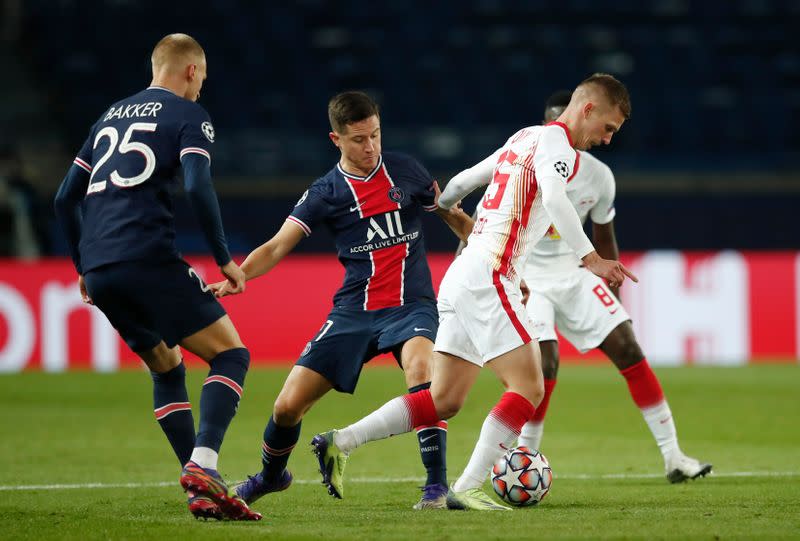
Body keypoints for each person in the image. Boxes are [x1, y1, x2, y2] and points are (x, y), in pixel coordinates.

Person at [311, 73, 637, 510]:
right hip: (489, 275)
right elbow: (557, 200)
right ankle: (465, 487)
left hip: (465, 272)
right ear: (589, 109)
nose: (607, 139)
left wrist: (444, 208)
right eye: (609, 128)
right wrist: (590, 257)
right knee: (529, 387)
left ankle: (340, 440)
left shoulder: (525, 137)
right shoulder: (559, 148)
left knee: (443, 399)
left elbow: (464, 180)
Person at [53, 33, 260, 521]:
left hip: (101, 269)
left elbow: (65, 198)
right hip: (147, 256)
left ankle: (199, 491)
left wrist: (84, 267)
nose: (201, 89)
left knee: (166, 367)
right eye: (202, 78)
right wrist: (225, 258)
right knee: (231, 354)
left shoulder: (109, 114)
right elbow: (195, 183)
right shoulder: (188, 116)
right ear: (191, 70)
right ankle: (205, 464)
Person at [210, 91, 450, 509]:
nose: (371, 147)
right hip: (354, 312)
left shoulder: (407, 170)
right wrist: (240, 274)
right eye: (359, 139)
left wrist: (486, 245)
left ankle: (436, 485)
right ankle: (271, 477)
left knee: (421, 368)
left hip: (412, 304)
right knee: (287, 407)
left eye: (375, 134)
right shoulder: (326, 192)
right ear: (335, 139)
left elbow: (449, 212)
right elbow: (277, 245)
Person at [514, 90, 711, 482]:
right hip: (526, 277)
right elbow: (485, 222)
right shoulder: (520, 162)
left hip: (574, 273)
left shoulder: (598, 176)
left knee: (627, 345)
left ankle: (674, 457)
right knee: (545, 363)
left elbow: (604, 238)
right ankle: (523, 459)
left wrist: (614, 298)